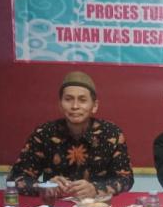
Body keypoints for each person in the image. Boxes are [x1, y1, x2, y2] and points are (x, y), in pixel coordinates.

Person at [8, 71, 133, 199]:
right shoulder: (44, 133)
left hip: (97, 205)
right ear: (60, 105)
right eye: (68, 99)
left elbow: (126, 179)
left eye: (82, 100)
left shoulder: (111, 133)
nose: (75, 106)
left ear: (94, 106)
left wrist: (96, 188)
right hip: (55, 205)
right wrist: (46, 186)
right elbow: (15, 179)